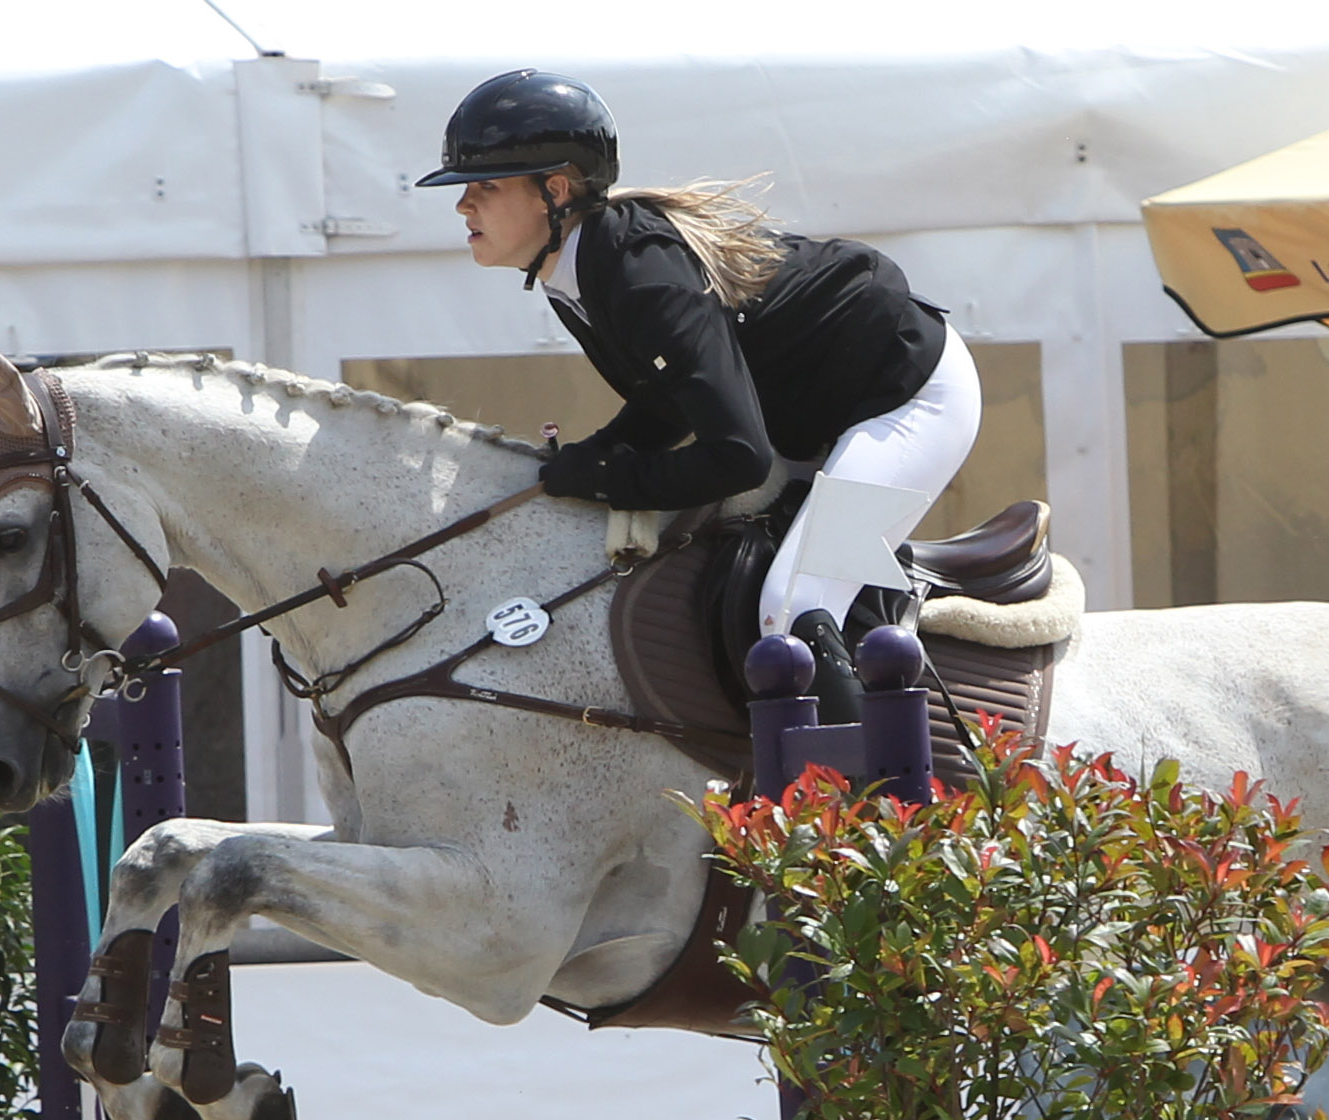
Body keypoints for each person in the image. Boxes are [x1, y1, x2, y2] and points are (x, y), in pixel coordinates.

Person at [418, 69, 984, 719]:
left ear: (556, 189)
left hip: (908, 396)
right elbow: (669, 400)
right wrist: (591, 457)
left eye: (485, 187)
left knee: (795, 604)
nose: (464, 206)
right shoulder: (573, 270)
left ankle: (882, 805)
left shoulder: (636, 275)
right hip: (818, 409)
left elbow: (737, 455)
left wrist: (609, 476)